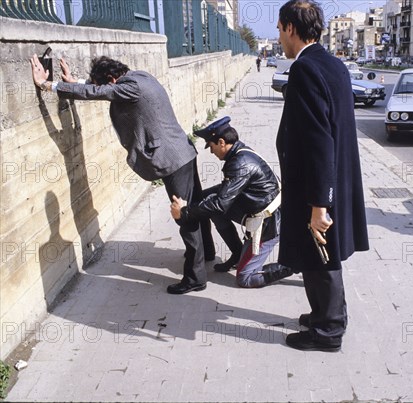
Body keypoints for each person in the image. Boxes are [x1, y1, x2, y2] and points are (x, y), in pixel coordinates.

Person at [30, 55, 215, 295]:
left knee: (185, 216)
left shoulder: (130, 87)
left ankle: (195, 277)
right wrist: (78, 82)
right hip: (182, 153)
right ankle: (206, 253)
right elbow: (104, 89)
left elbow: (100, 93)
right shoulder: (140, 76)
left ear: (111, 79)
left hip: (171, 160)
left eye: (104, 83)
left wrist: (48, 85)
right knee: (196, 208)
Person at [276, 0, 369, 352]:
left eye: (280, 31)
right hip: (331, 178)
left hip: (315, 184)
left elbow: (318, 140)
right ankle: (325, 315)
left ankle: (328, 332)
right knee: (318, 255)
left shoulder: (306, 70)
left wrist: (319, 204)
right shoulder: (331, 64)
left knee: (319, 254)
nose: (280, 39)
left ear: (289, 28)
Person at [170, 116, 295, 287]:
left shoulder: (240, 164)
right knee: (210, 205)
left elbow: (221, 203)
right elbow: (223, 195)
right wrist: (198, 200)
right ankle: (237, 254)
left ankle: (298, 264)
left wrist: (185, 212)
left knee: (245, 278)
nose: (211, 152)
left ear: (221, 142)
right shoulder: (239, 153)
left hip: (270, 224)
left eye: (211, 146)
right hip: (259, 209)